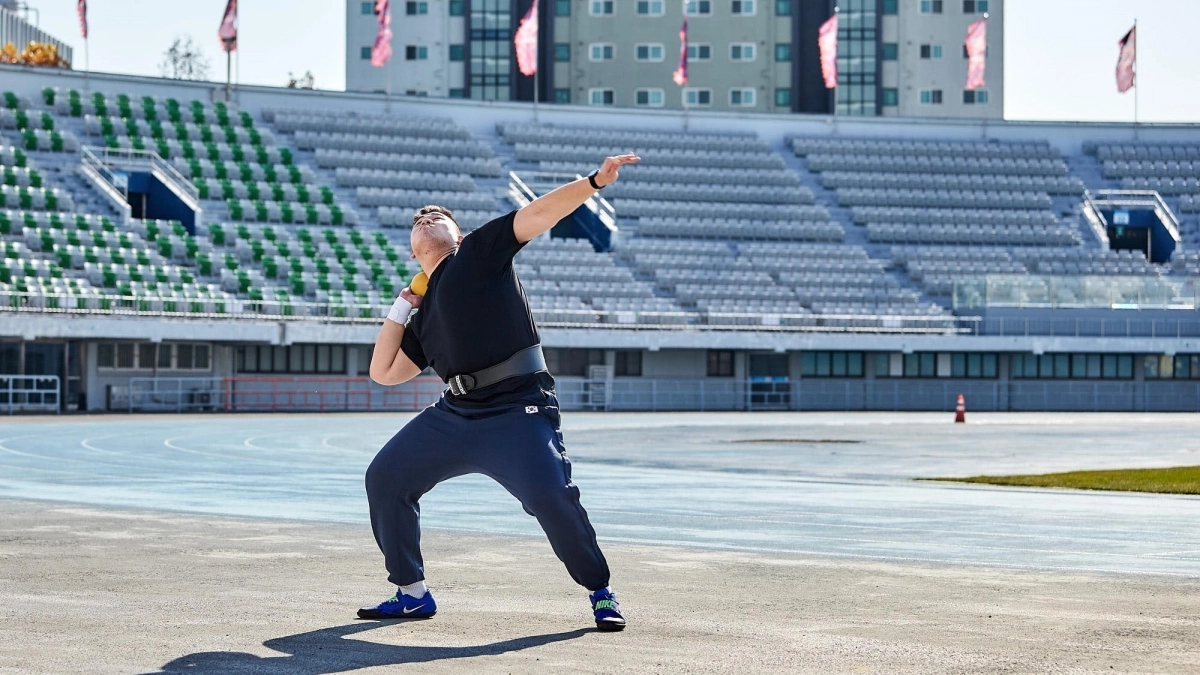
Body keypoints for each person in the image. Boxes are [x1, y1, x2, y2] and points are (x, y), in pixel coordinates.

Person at [360, 153, 640, 632]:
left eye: (438, 217)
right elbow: (384, 372)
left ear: (458, 236)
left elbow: (537, 214)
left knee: (551, 497)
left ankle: (599, 590)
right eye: (420, 221)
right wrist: (403, 305)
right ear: (413, 252)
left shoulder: (477, 255)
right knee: (385, 478)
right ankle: (411, 593)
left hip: (518, 410)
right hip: (456, 415)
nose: (428, 220)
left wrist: (593, 182)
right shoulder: (424, 315)